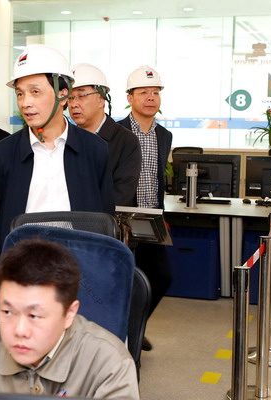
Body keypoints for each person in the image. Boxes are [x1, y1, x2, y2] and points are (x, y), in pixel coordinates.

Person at [0, 238, 139, 399]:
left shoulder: (109, 364)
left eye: (34, 315)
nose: (19, 330)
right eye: (7, 312)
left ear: (69, 313)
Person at [0, 45, 114, 262]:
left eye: (35, 92)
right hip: (21, 265)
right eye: (20, 94)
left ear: (63, 94)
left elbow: (104, 216)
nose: (25, 103)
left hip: (80, 264)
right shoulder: (1, 154)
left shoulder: (95, 150)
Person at [117, 65, 173, 351]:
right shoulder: (116, 132)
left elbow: (157, 177)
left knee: (162, 276)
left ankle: (136, 325)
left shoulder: (164, 135)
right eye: (143, 92)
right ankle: (125, 335)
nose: (151, 98)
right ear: (130, 98)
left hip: (151, 218)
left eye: (155, 93)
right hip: (122, 218)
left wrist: (162, 214)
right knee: (124, 280)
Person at [69, 63, 141, 206]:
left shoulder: (126, 141)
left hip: (106, 219)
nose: (74, 104)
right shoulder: (66, 139)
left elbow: (122, 195)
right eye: (70, 98)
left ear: (101, 100)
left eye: (81, 96)